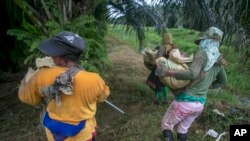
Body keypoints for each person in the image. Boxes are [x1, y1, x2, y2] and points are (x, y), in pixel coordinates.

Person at [18, 31, 110, 141]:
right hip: (82, 135)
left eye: (52, 54)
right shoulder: (94, 79)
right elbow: (103, 96)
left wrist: (27, 80)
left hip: (54, 134)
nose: (50, 56)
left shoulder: (40, 76)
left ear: (58, 58)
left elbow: (28, 98)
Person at [156, 27, 227, 141]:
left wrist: (168, 72)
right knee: (182, 129)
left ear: (205, 41)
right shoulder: (219, 61)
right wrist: (209, 86)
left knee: (166, 125)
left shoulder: (202, 54)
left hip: (185, 102)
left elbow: (192, 74)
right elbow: (223, 81)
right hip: (199, 105)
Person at [145, 33, 175, 105]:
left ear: (164, 38)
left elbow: (158, 59)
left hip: (160, 67)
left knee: (153, 83)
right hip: (169, 68)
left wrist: (152, 58)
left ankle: (158, 101)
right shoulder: (173, 47)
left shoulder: (162, 47)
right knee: (164, 84)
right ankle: (165, 100)